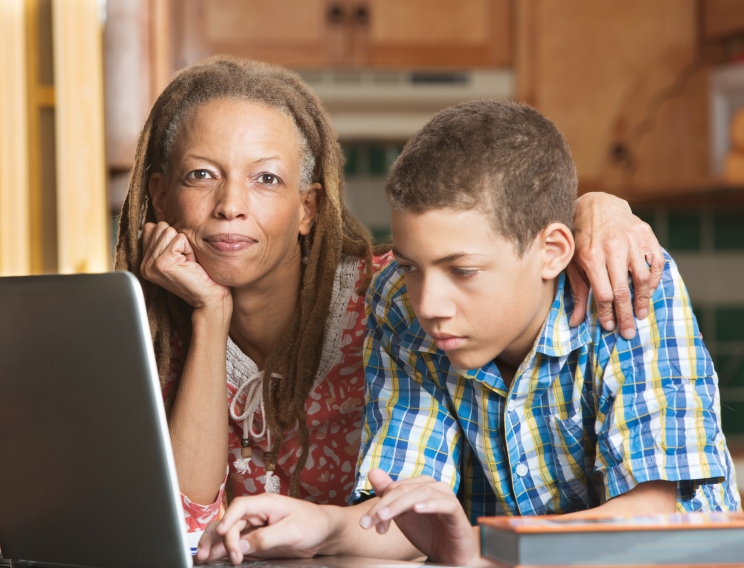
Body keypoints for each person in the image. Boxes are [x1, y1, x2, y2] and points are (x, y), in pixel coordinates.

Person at [112, 56, 665, 559]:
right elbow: (184, 528)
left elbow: (507, 236)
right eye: (201, 175)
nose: (230, 206)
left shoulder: (395, 297)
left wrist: (599, 206)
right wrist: (211, 314)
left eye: (266, 178)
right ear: (160, 195)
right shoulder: (152, 328)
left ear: (308, 208)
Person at [201, 100, 741, 566]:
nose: (429, 305)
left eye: (463, 271)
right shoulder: (397, 300)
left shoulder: (626, 282)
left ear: (551, 252)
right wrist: (325, 527)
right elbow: (407, 508)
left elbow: (655, 517)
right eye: (413, 265)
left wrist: (484, 547)